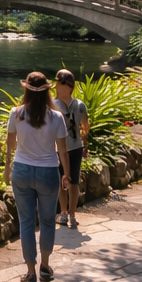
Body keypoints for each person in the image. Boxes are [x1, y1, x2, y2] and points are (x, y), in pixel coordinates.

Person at [3, 72, 72, 282]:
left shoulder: (16, 114)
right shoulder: (56, 117)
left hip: (22, 171)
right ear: (48, 92)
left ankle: (30, 272)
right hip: (48, 172)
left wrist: (7, 168)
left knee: (26, 222)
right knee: (48, 220)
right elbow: (62, 149)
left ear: (26, 90)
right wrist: (67, 174)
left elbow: (10, 144)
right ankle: (45, 266)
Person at [52, 70, 90, 228]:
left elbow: (85, 127)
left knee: (71, 181)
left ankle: (70, 213)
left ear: (69, 86)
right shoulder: (57, 105)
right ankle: (65, 213)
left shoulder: (75, 105)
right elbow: (85, 127)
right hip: (65, 148)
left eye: (62, 81)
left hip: (70, 147)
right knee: (66, 181)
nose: (59, 84)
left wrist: (85, 145)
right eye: (59, 81)